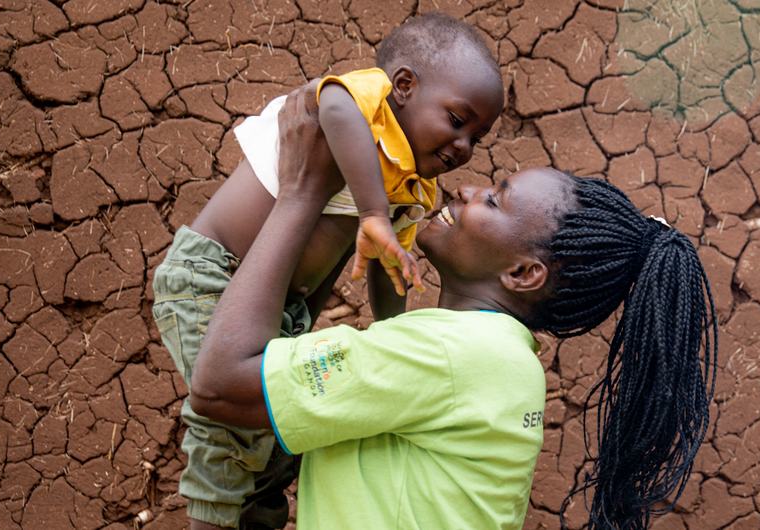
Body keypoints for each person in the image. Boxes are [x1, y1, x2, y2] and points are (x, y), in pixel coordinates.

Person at [188, 82, 719, 529]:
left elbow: (220, 386)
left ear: (522, 273)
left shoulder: (446, 354)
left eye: (495, 200)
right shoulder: (499, 363)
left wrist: (303, 192)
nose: (466, 190)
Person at [150, 12, 503, 529]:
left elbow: (386, 270)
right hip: (210, 277)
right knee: (227, 422)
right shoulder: (367, 107)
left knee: (281, 438)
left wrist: (393, 334)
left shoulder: (413, 189)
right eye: (456, 120)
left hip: (282, 312)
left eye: (478, 136)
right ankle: (211, 519)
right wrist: (373, 212)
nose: (463, 147)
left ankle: (257, 517)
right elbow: (330, 102)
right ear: (403, 86)